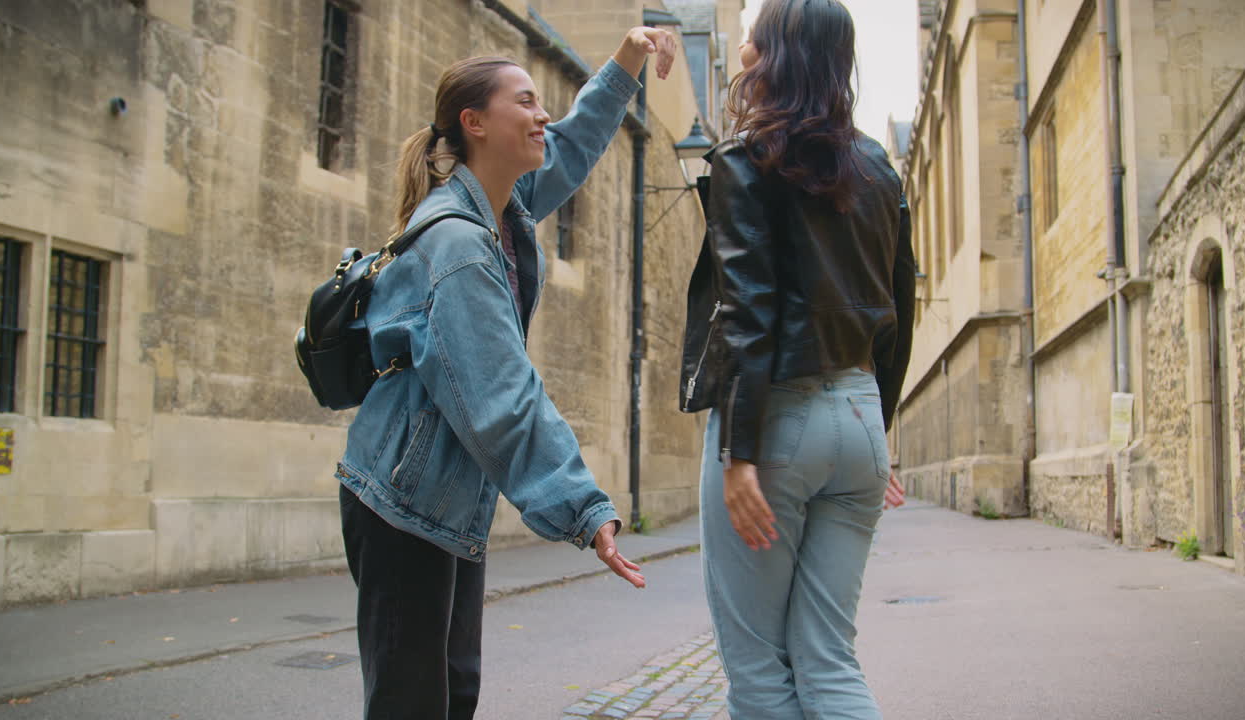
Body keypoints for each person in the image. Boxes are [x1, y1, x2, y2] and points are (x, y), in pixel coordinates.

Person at [336, 26, 678, 720]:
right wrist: (584, 507)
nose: (542, 114)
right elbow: (502, 398)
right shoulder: (459, 246)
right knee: (413, 704)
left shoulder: (501, 211)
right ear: (475, 123)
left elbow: (573, 143)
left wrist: (627, 59)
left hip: (445, 502)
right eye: (524, 102)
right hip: (401, 505)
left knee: (454, 693)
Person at [677, 0, 915, 717]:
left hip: (776, 422)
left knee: (758, 669)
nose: (745, 48)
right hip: (860, 419)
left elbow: (747, 314)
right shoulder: (880, 170)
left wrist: (738, 453)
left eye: (755, 38)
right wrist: (879, 429)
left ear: (776, 55)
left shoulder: (748, 159)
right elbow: (900, 311)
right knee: (829, 658)